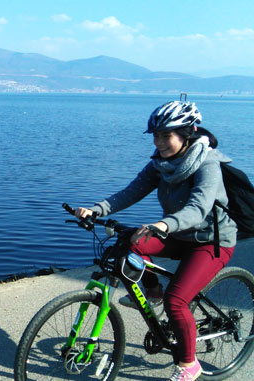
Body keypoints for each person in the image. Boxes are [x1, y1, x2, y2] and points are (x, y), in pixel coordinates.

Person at [75, 100, 236, 381]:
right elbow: (132, 191)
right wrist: (97, 208)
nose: (160, 142)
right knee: (129, 243)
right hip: (178, 233)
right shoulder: (160, 164)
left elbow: (198, 208)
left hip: (211, 242)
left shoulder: (208, 163)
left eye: (166, 136)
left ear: (187, 134)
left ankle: (188, 364)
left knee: (177, 301)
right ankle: (152, 292)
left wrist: (161, 224)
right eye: (156, 136)